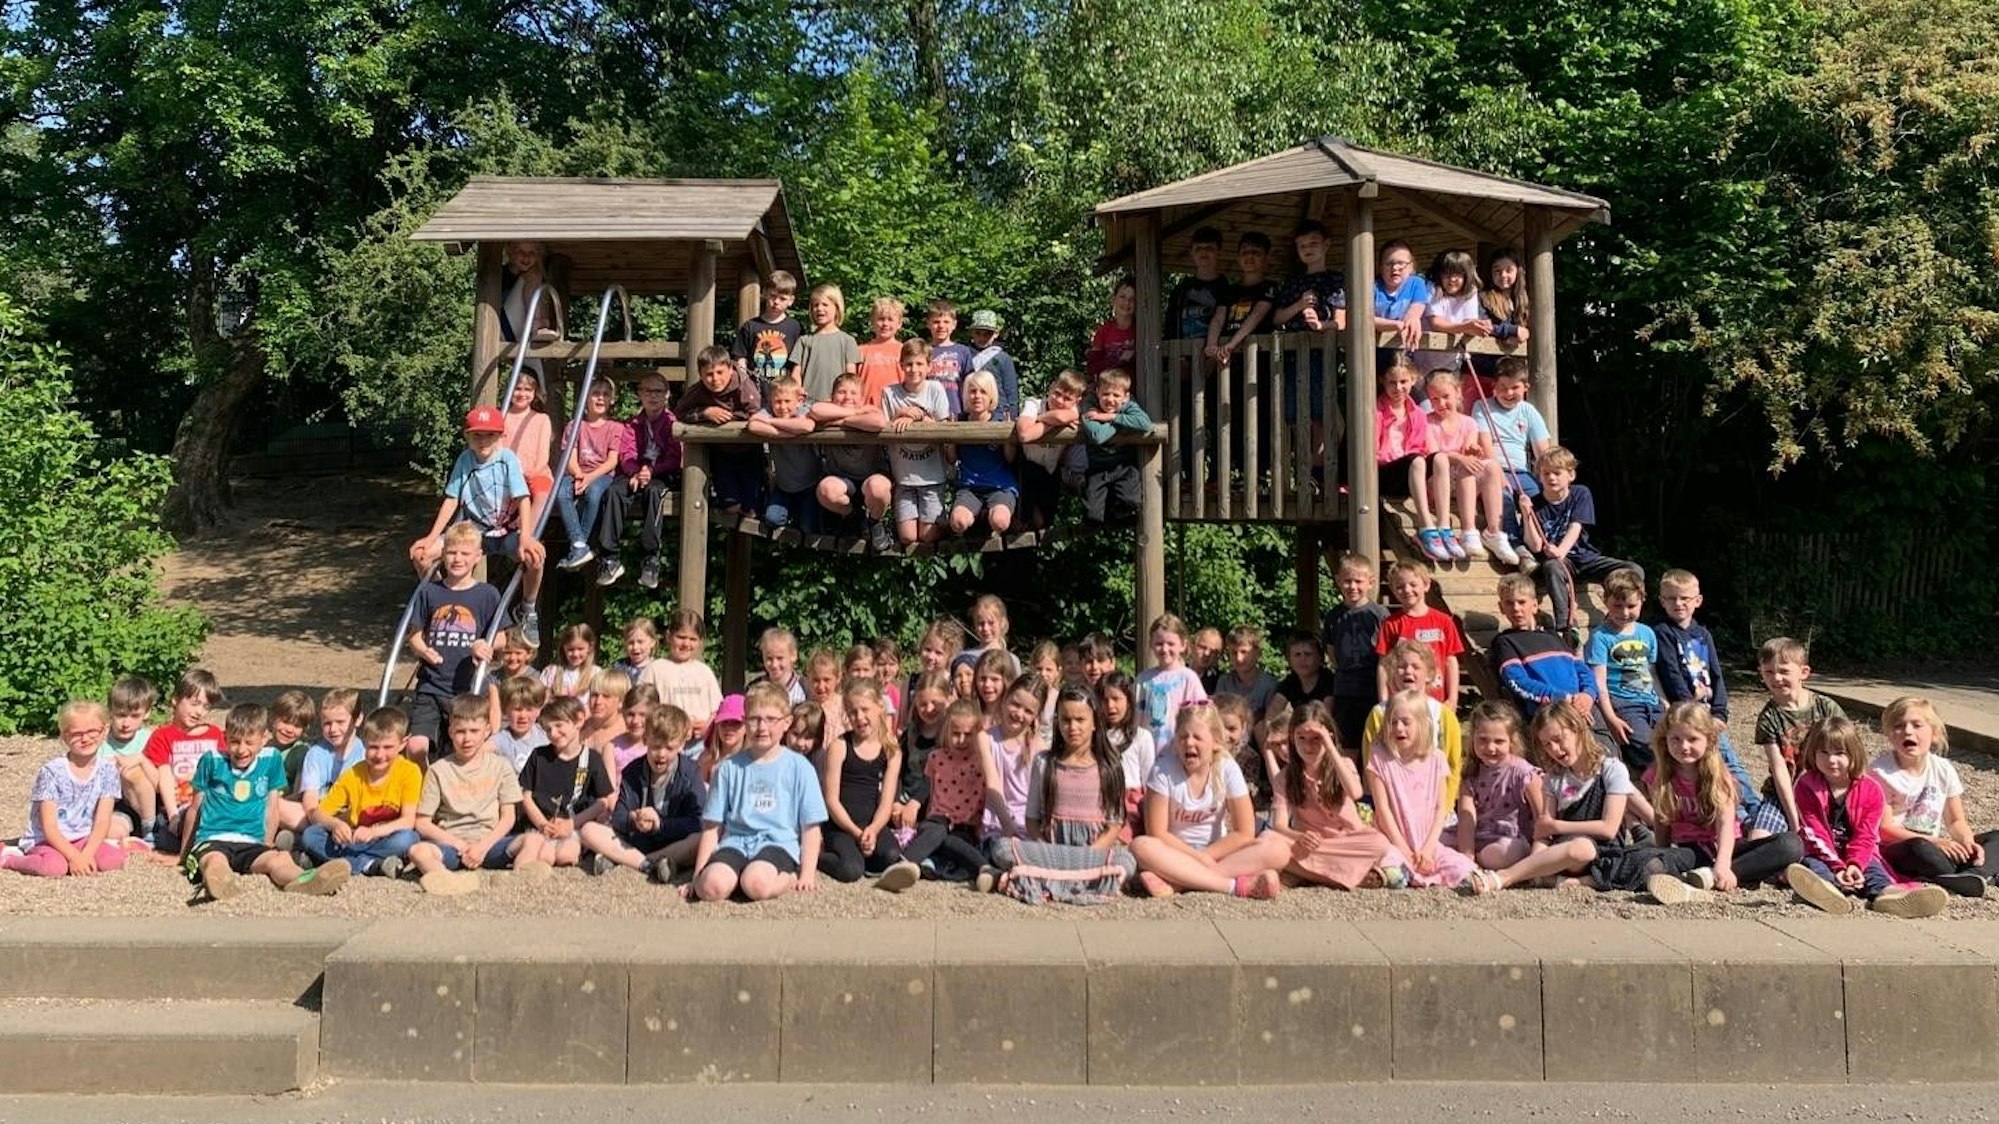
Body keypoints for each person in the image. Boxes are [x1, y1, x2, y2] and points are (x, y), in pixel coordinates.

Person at [1636, 703, 1806, 904]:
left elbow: (1725, 825)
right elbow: (1662, 819)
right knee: (1653, 863)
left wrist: (1723, 865)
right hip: (1691, 850)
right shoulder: (1658, 775)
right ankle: (1704, 877)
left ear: (1708, 740)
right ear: (1665, 740)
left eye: (1692, 739)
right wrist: (1662, 850)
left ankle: (1708, 877)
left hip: (1727, 847)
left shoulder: (1719, 776)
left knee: (1790, 845)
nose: (1684, 746)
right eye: (1676, 739)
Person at [179, 703, 350, 901]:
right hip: (213, 838)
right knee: (214, 859)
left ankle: (305, 879)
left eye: (249, 743)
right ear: (225, 738)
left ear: (263, 739)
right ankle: (220, 881)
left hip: (251, 841)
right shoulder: (211, 760)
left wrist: (267, 844)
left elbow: (272, 809)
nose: (241, 749)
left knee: (279, 859)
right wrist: (183, 854)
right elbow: (195, 808)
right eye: (234, 742)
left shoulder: (271, 760)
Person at [985, 686, 1137, 905]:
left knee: (1127, 860)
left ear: (1095, 722)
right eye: (1066, 720)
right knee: (1002, 848)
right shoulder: (1044, 763)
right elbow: (1032, 820)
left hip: (1091, 854)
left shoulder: (1109, 767)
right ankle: (1082, 877)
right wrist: (1044, 846)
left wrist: (1090, 854)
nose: (1072, 727)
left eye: (1080, 720)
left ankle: (1040, 875)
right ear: (1057, 722)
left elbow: (1114, 825)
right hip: (1051, 851)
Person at [1785, 716, 1947, 917]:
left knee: (1875, 872)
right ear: (1813, 753)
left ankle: (1888, 896)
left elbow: (1867, 836)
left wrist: (1854, 865)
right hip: (1821, 853)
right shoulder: (1806, 785)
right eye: (1824, 753)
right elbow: (1813, 832)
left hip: (1861, 855)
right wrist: (1838, 867)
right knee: (1814, 866)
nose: (1831, 760)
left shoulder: (1871, 789)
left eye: (1840, 753)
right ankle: (1828, 892)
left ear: (1853, 754)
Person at [408, 405, 543, 646]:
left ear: (500, 436)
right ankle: (439, 599)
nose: (483, 441)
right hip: (476, 531)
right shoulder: (465, 460)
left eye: (489, 435)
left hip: (507, 529)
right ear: (468, 437)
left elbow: (523, 497)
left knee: (534, 556)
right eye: (477, 435)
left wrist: (526, 536)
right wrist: (431, 537)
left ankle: (528, 608)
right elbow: (452, 499)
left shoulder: (507, 459)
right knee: (422, 555)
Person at [687, 682, 829, 902]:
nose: (762, 727)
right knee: (710, 888)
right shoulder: (728, 768)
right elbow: (712, 827)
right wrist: (698, 876)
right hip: (736, 842)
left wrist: (807, 873)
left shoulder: (800, 768)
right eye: (754, 719)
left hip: (777, 843)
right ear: (745, 722)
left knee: (755, 884)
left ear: (786, 723)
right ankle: (734, 876)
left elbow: (810, 827)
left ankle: (785, 877)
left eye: (771, 719)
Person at [1130, 704, 1288, 898]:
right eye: (1183, 737)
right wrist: (1198, 858)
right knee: (1141, 846)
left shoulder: (1227, 768)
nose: (1189, 742)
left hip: (1217, 853)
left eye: (1197, 737)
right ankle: (1233, 886)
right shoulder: (1162, 770)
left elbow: (1244, 832)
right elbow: (1157, 833)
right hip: (1175, 852)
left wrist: (1206, 857)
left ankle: (1179, 881)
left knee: (1279, 849)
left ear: (1215, 742)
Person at [1472, 703, 1633, 893]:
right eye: (1547, 744)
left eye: (1558, 739)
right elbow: (1544, 832)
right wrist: (1535, 863)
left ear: (1577, 729)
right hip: (1565, 852)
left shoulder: (1611, 769)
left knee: (1584, 849)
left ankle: (1505, 877)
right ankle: (1542, 878)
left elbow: (1608, 828)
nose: (1555, 749)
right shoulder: (1554, 778)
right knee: (1575, 849)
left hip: (1603, 852)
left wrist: (1557, 826)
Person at [1652, 568, 1766, 831]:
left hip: (1709, 716)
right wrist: (1695, 713)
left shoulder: (1703, 634)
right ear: (1662, 601)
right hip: (1689, 717)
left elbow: (1716, 674)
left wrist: (1720, 712)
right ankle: (1740, 816)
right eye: (1671, 598)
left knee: (1731, 762)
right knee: (1714, 766)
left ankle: (1755, 810)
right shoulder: (1663, 633)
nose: (1678, 603)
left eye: (1684, 598)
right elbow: (1671, 674)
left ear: (1698, 601)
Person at [1873, 696, 1999, 897]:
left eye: (1917, 725)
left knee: (1996, 837)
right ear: (1889, 735)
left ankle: (1972, 874)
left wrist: (1967, 842)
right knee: (1919, 848)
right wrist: (1936, 842)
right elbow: (1885, 829)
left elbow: (1956, 821)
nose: (1907, 731)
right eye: (1898, 726)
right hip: (1901, 848)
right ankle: (1978, 874)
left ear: (1934, 734)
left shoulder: (1943, 769)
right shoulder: (1880, 773)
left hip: (1937, 847)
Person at [402, 522, 506, 761]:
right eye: (451, 552)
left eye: (465, 553)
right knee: (416, 746)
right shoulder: (429, 592)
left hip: (467, 689)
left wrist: (483, 644)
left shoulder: (487, 594)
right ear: (442, 554)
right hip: (431, 684)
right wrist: (424, 650)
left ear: (477, 556)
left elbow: (501, 638)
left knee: (460, 751)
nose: (457, 559)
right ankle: (425, 784)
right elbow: (414, 636)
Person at [1265, 701, 1396, 890]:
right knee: (1269, 840)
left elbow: (1356, 792)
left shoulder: (1344, 764)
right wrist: (1299, 836)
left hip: (1347, 841)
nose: (1308, 746)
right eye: (1301, 738)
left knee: (1380, 844)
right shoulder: (1284, 777)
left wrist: (1329, 746)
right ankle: (1340, 877)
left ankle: (1306, 873)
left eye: (1316, 739)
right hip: (1312, 844)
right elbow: (1279, 825)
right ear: (1293, 739)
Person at [407, 695, 528, 896]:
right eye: (460, 731)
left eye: (474, 731)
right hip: (452, 845)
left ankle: (517, 880)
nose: (467, 738)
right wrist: (459, 844)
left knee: (533, 841)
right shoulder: (438, 770)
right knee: (417, 851)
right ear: (450, 732)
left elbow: (509, 817)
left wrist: (483, 846)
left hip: (490, 842)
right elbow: (422, 822)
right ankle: (446, 880)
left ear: (487, 731)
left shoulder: (500, 766)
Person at [1517, 445, 1641, 635]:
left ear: (1571, 475)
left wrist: (1560, 550)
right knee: (1551, 566)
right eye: (1546, 473)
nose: (1551, 478)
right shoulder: (1535, 503)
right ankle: (1566, 625)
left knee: (1633, 569)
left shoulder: (1580, 493)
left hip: (1584, 557)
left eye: (1557, 473)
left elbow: (1576, 527)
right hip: (1559, 564)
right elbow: (1535, 545)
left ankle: (1617, 612)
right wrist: (1526, 515)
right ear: (1539, 476)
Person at [3, 701, 130, 878]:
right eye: (77, 734)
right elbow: (49, 826)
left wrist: (86, 855)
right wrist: (74, 857)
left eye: (92, 731)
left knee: (112, 860)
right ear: (64, 736)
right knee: (54, 868)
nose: (85, 739)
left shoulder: (108, 770)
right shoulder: (52, 772)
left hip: (83, 836)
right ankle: (10, 858)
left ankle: (112, 847)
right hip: (48, 840)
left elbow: (102, 821)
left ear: (105, 730)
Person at [580, 703, 704, 883]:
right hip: (637, 839)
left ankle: (630, 860)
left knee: (700, 840)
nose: (661, 754)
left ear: (681, 745)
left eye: (669, 748)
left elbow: (697, 821)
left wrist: (660, 825)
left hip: (674, 841)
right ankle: (649, 865)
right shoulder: (633, 771)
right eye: (655, 746)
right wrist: (634, 819)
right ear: (645, 740)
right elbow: (619, 817)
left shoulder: (690, 772)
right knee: (588, 830)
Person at [1365, 689, 1474, 889]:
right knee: (1392, 867)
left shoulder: (1436, 759)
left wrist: (1428, 848)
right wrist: (1402, 847)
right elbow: (1382, 809)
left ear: (1422, 724)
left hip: (1427, 839)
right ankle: (1392, 872)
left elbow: (1441, 808)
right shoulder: (1379, 757)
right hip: (1393, 837)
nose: (1399, 728)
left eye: (1406, 722)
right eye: (1393, 722)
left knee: (1460, 867)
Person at [817, 678, 919, 889]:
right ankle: (818, 856)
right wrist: (856, 833)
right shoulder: (840, 746)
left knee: (890, 855)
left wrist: (873, 829)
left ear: (880, 707)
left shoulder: (891, 751)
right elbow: (831, 800)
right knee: (850, 870)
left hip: (871, 823)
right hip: (841, 825)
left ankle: (866, 855)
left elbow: (886, 801)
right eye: (852, 712)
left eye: (865, 710)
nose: (859, 717)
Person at [301, 706, 422, 878]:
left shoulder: (409, 771)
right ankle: (368, 864)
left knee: (408, 839)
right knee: (311, 835)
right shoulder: (353, 774)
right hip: (353, 840)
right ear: (364, 742)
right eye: (373, 747)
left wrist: (373, 832)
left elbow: (408, 821)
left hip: (385, 838)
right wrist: (335, 825)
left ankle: (332, 861)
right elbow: (319, 813)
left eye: (387, 747)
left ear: (403, 744)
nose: (379, 754)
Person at [1753, 636, 1845, 838]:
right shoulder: (1769, 717)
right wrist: (1794, 821)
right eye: (1769, 672)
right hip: (1784, 794)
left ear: (1804, 672)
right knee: (1759, 839)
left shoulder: (1826, 707)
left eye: (1784, 671)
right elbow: (1779, 770)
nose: (1776, 678)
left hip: (1824, 789)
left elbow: (1849, 752)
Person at [594, 373, 679, 589]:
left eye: (658, 391)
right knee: (614, 491)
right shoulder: (633, 424)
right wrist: (634, 472)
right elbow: (627, 454)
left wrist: (651, 471)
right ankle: (610, 557)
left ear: (667, 394)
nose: (653, 396)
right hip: (635, 473)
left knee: (654, 493)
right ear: (640, 394)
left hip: (661, 474)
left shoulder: (672, 423)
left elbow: (675, 457)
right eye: (647, 391)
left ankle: (651, 558)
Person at [1272, 220, 1347, 462]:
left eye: (1313, 243)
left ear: (1326, 245)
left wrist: (1321, 326)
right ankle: (1309, 468)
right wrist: (1299, 305)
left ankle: (1330, 465)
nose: (1308, 249)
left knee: (1324, 412)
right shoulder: (1293, 282)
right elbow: (1277, 317)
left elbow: (1341, 321)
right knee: (1295, 413)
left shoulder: (1335, 280)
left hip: (1323, 355)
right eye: (1302, 245)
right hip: (1293, 356)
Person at [515, 694, 615, 872]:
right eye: (548, 729)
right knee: (544, 855)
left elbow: (603, 802)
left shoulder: (591, 758)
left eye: (559, 725)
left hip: (573, 824)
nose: (553, 733)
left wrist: (572, 824)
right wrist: (542, 824)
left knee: (566, 855)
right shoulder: (539, 756)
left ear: (579, 720)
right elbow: (526, 796)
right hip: (541, 825)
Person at [903, 699, 1001, 882]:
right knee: (937, 834)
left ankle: (984, 869)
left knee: (951, 842)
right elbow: (927, 787)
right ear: (946, 730)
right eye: (956, 733)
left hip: (965, 826)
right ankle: (905, 864)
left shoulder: (981, 761)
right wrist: (914, 805)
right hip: (936, 821)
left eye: (968, 734)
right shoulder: (936, 757)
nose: (961, 740)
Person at [1424, 369, 1511, 563]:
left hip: (1464, 480)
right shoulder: (1428, 422)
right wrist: (1461, 458)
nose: (1441, 403)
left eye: (1445, 397)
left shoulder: (1469, 423)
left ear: (1458, 393)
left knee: (1491, 466)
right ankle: (1468, 530)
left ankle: (1494, 531)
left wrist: (1473, 451)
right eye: (1434, 399)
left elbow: (1469, 449)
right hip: (1439, 480)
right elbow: (1434, 453)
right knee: (1464, 465)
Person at [1467, 357, 1549, 562]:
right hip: (1493, 469)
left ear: (1526, 388)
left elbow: (1543, 451)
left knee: (1541, 497)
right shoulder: (1482, 406)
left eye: (1515, 388)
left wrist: (1548, 478)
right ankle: (1516, 546)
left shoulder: (1528, 411)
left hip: (1521, 472)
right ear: (1494, 386)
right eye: (1503, 388)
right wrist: (1498, 474)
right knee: (1505, 497)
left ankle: (1543, 544)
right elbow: (1485, 444)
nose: (1509, 393)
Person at [1362, 641, 1465, 804]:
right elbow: (1370, 763)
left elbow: (1453, 765)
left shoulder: (1443, 715)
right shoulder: (1379, 714)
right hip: (1392, 803)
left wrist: (1445, 805)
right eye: (1401, 666)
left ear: (1429, 674)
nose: (1408, 671)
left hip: (1434, 803)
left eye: (1416, 667)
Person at [1455, 702, 1543, 891]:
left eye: (1499, 741)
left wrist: (1538, 855)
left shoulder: (1523, 773)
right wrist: (1466, 855)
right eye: (1483, 740)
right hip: (1478, 837)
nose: (1490, 747)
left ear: (1512, 741)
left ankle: (1475, 862)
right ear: (1472, 738)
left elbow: (1541, 816)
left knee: (1508, 853)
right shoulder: (1471, 775)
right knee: (1436, 840)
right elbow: (1466, 818)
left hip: (1510, 840)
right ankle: (1467, 862)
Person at [1586, 569, 1665, 772]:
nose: (1625, 613)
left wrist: (1664, 701)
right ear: (1605, 601)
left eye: (1631, 606)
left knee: (1677, 743)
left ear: (1642, 600)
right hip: (1624, 704)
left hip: (1652, 702)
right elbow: (1599, 683)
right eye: (1617, 606)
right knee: (1648, 749)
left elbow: (1651, 672)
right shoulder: (1600, 637)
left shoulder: (1647, 633)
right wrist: (1611, 718)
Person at [675, 344, 764, 517]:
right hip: (721, 453)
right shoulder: (698, 390)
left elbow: (757, 413)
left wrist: (734, 420)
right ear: (700, 375)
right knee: (730, 507)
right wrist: (705, 413)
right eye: (709, 374)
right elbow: (679, 413)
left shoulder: (743, 385)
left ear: (730, 369)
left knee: (752, 509)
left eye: (719, 372)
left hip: (749, 451)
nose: (715, 379)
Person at [877, 338, 951, 546]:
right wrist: (900, 414)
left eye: (919, 364)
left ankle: (947, 524)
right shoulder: (890, 393)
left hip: (932, 475)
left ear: (929, 366)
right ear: (901, 365)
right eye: (909, 364)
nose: (914, 369)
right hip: (904, 476)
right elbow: (882, 428)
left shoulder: (935, 389)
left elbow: (944, 429)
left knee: (927, 536)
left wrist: (916, 419)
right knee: (908, 537)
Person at [141, 668, 225, 848]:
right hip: (181, 807)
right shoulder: (163, 735)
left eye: (206, 707)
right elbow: (163, 776)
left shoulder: (215, 734)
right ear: (175, 699)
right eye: (194, 703)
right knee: (194, 816)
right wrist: (173, 816)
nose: (199, 712)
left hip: (214, 802)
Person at [806, 371, 892, 543]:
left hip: (870, 478)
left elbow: (879, 422)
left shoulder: (870, 410)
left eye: (853, 393)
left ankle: (875, 522)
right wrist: (854, 414)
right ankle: (853, 515)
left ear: (862, 398)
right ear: (832, 396)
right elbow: (815, 410)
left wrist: (842, 422)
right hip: (842, 480)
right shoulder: (827, 410)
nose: (847, 397)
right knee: (826, 490)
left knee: (879, 489)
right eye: (842, 392)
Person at [1375, 361, 1448, 555]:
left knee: (1440, 458)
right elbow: (1374, 452)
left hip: (1411, 471)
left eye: (1403, 382)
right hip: (1385, 473)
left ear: (1413, 380)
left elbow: (1427, 449)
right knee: (1416, 460)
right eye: (1392, 383)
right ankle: (1426, 525)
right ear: (1383, 382)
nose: (1398, 388)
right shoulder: (1376, 411)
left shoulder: (1418, 414)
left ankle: (1444, 526)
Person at [552, 379, 622, 572]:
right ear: (585, 398)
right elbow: (570, 457)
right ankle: (579, 545)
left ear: (612, 400)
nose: (600, 398)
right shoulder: (574, 426)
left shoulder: (615, 428)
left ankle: (578, 546)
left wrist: (589, 478)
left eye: (605, 394)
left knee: (593, 494)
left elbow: (612, 461)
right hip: (578, 472)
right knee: (561, 492)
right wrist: (579, 475)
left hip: (601, 474)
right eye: (595, 394)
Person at [1320, 553, 1387, 753]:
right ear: (1338, 581)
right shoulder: (1333, 616)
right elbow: (1331, 652)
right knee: (1347, 744)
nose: (1352, 586)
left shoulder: (1379, 614)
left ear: (1370, 582)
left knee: (1375, 742)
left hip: (1372, 688)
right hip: (1345, 690)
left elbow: (1388, 654)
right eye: (1347, 581)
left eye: (1358, 581)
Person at [1374, 561, 1463, 710]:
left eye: (1413, 584)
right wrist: (1384, 700)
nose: (1407, 590)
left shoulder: (1444, 621)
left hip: (1437, 701)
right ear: (1393, 590)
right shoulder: (1391, 624)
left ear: (1426, 585)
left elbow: (1450, 661)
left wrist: (1452, 698)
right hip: (1402, 701)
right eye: (1400, 587)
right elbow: (1384, 664)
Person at [1013, 368, 1088, 530]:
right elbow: (1025, 434)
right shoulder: (1034, 404)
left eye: (1067, 399)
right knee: (1027, 519)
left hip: (1050, 472)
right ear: (1051, 387)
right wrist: (1053, 423)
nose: (1059, 401)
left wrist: (1039, 420)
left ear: (1077, 401)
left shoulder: (1075, 411)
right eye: (1057, 394)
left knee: (1045, 523)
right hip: (1026, 468)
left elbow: (1060, 416)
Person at [949, 370, 1019, 537]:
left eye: (983, 392)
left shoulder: (1000, 421)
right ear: (966, 395)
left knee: (1000, 522)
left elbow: (1010, 458)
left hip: (999, 486)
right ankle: (980, 516)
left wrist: (1007, 437)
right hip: (970, 487)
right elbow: (951, 458)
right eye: (973, 391)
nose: (977, 396)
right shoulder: (959, 421)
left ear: (991, 396)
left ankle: (990, 516)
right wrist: (950, 436)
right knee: (958, 522)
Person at [1079, 368, 1152, 527]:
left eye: (1116, 395)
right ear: (1097, 393)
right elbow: (1098, 435)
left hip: (1123, 466)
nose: (1110, 399)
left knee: (1131, 503)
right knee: (1092, 516)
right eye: (1105, 394)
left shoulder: (1129, 405)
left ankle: (1115, 513)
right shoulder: (1089, 405)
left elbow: (1145, 424)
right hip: (1097, 467)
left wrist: (1110, 417)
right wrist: (1124, 424)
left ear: (1125, 397)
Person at [747, 376, 822, 531]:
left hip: (810, 484)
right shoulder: (769, 412)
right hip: (784, 486)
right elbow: (753, 424)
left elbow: (807, 426)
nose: (782, 407)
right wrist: (786, 434)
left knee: (808, 528)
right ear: (770, 402)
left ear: (799, 401)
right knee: (771, 519)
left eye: (787, 401)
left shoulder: (803, 411)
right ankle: (792, 513)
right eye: (778, 402)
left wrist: (771, 422)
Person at [637, 608, 724, 738]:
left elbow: (718, 708)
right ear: (669, 636)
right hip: (664, 739)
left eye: (693, 639)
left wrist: (708, 726)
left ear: (700, 642)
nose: (686, 644)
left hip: (699, 743)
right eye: (681, 637)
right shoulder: (655, 669)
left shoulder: (704, 671)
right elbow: (640, 705)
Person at [983, 674, 1043, 848]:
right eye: (1015, 704)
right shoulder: (986, 738)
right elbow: (992, 784)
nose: (1019, 714)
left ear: (1036, 716)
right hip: (997, 824)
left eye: (1028, 711)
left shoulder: (1039, 747)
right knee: (1003, 849)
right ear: (1005, 699)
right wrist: (1007, 826)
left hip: (1029, 826)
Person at [1133, 613, 1209, 748]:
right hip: (1148, 750)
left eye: (1171, 644)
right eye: (1159, 644)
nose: (1164, 649)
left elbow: (1201, 717)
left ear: (1183, 645)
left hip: (1179, 749)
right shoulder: (1143, 680)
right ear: (1151, 644)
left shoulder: (1189, 678)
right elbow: (1135, 717)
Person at [102, 676, 163, 843]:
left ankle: (150, 829)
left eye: (135, 716)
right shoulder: (101, 741)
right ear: (110, 711)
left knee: (133, 772)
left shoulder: (150, 739)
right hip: (118, 804)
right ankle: (134, 834)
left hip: (150, 804)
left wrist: (141, 760)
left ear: (147, 713)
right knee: (112, 832)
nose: (126, 723)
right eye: (121, 715)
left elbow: (159, 785)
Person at [296, 688, 366, 830]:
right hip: (319, 814)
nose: (333, 729)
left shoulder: (365, 753)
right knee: (280, 806)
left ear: (358, 719)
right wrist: (330, 823)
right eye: (327, 723)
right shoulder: (316, 753)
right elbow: (310, 804)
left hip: (351, 813)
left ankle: (305, 834)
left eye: (340, 722)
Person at [1204, 232, 1275, 368]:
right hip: (1226, 359)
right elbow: (1218, 317)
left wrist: (1232, 344)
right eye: (1244, 252)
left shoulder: (1270, 287)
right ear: (1238, 258)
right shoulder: (1229, 290)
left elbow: (1256, 315)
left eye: (1255, 252)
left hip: (1258, 358)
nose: (1249, 256)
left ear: (1266, 258)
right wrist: (1211, 344)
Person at [1417, 250, 1490, 378]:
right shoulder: (1432, 288)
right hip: (1422, 360)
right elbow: (1436, 323)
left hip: (1452, 362)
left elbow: (1470, 322)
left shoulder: (1471, 291)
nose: (1452, 279)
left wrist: (1482, 326)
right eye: (1446, 274)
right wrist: (1466, 327)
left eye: (1458, 274)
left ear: (1467, 275)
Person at [1097, 670, 1152, 839]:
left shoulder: (1141, 737)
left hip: (1131, 807)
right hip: (1100, 802)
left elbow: (1148, 781)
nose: (1110, 706)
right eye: (1105, 700)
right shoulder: (1096, 736)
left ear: (1128, 700)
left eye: (1116, 699)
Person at [731, 269, 801, 399]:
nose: (776, 302)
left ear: (791, 301)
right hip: (756, 391)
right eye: (773, 296)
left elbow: (799, 363)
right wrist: (745, 385)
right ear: (764, 293)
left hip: (784, 395)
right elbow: (740, 359)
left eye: (782, 299)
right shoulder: (750, 326)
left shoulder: (795, 327)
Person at [788, 283, 861, 403]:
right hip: (808, 402)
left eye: (825, 305)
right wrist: (797, 390)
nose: (819, 309)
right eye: (815, 305)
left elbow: (851, 376)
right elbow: (796, 372)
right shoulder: (804, 340)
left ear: (837, 308)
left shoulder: (847, 341)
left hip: (837, 403)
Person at [500, 369, 555, 525]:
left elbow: (543, 457)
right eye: (518, 389)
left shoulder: (542, 419)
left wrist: (531, 474)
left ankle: (528, 532)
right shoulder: (502, 417)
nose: (522, 394)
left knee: (542, 494)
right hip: (508, 473)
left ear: (534, 392)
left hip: (535, 472)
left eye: (528, 389)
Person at [267, 689, 319, 845]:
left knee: (272, 804)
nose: (289, 729)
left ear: (305, 729)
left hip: (289, 805)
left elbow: (299, 794)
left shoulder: (301, 752)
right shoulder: (263, 747)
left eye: (297, 726)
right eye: (285, 722)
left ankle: (293, 839)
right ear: (272, 717)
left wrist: (277, 799)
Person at [1211, 625, 1281, 729]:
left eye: (1244, 652)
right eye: (1234, 653)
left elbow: (1272, 723)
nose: (1239, 658)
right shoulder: (1225, 681)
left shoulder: (1269, 684)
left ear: (1257, 653)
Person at [1372, 240, 1431, 359]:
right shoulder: (1373, 286)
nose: (1395, 267)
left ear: (1411, 266)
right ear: (1380, 267)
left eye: (1401, 263)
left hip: (1405, 348)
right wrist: (1395, 325)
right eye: (1389, 263)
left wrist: (1407, 322)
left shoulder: (1417, 283)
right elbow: (1367, 319)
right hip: (1375, 348)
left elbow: (1414, 313)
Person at [488, 668, 549, 773]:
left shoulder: (545, 735)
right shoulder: (501, 740)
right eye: (517, 709)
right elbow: (478, 754)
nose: (523, 716)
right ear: (505, 710)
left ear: (538, 710)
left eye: (529, 709)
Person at [964, 309, 1020, 419]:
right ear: (971, 333)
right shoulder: (965, 355)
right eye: (978, 333)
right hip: (971, 414)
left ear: (996, 334)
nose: (982, 338)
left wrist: (1012, 415)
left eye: (987, 334)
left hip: (999, 414)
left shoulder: (1003, 358)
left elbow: (1011, 391)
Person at [922, 299, 973, 414]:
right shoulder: (923, 350)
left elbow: (969, 384)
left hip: (956, 410)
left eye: (946, 322)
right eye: (936, 322)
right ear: (928, 324)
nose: (941, 326)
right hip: (929, 411)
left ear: (954, 325)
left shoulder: (963, 351)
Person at [857, 296, 907, 405]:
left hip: (897, 407)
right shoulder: (861, 351)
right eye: (881, 319)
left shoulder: (905, 350)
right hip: (866, 408)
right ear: (872, 322)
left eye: (890, 319)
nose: (885, 324)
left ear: (899, 324)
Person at [1085, 278, 1137, 379]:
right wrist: (1118, 359)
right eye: (1122, 297)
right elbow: (1092, 368)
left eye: (1132, 299)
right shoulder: (1103, 331)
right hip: (1109, 385)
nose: (1127, 302)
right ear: (1113, 300)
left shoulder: (1142, 330)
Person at [1274, 631, 1336, 713]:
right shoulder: (1290, 681)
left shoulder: (1329, 680)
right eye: (1297, 654)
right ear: (1289, 660)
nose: (1302, 659)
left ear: (1320, 657)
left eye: (1308, 654)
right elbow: (1273, 711)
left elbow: (1326, 714)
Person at [541, 623, 599, 702]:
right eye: (570, 649)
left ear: (589, 647)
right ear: (563, 648)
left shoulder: (595, 674)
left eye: (580, 649)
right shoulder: (551, 672)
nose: (575, 654)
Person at [754, 627, 807, 704]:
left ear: (793, 655)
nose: (774, 665)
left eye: (779, 658)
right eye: (769, 658)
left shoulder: (805, 688)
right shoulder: (755, 688)